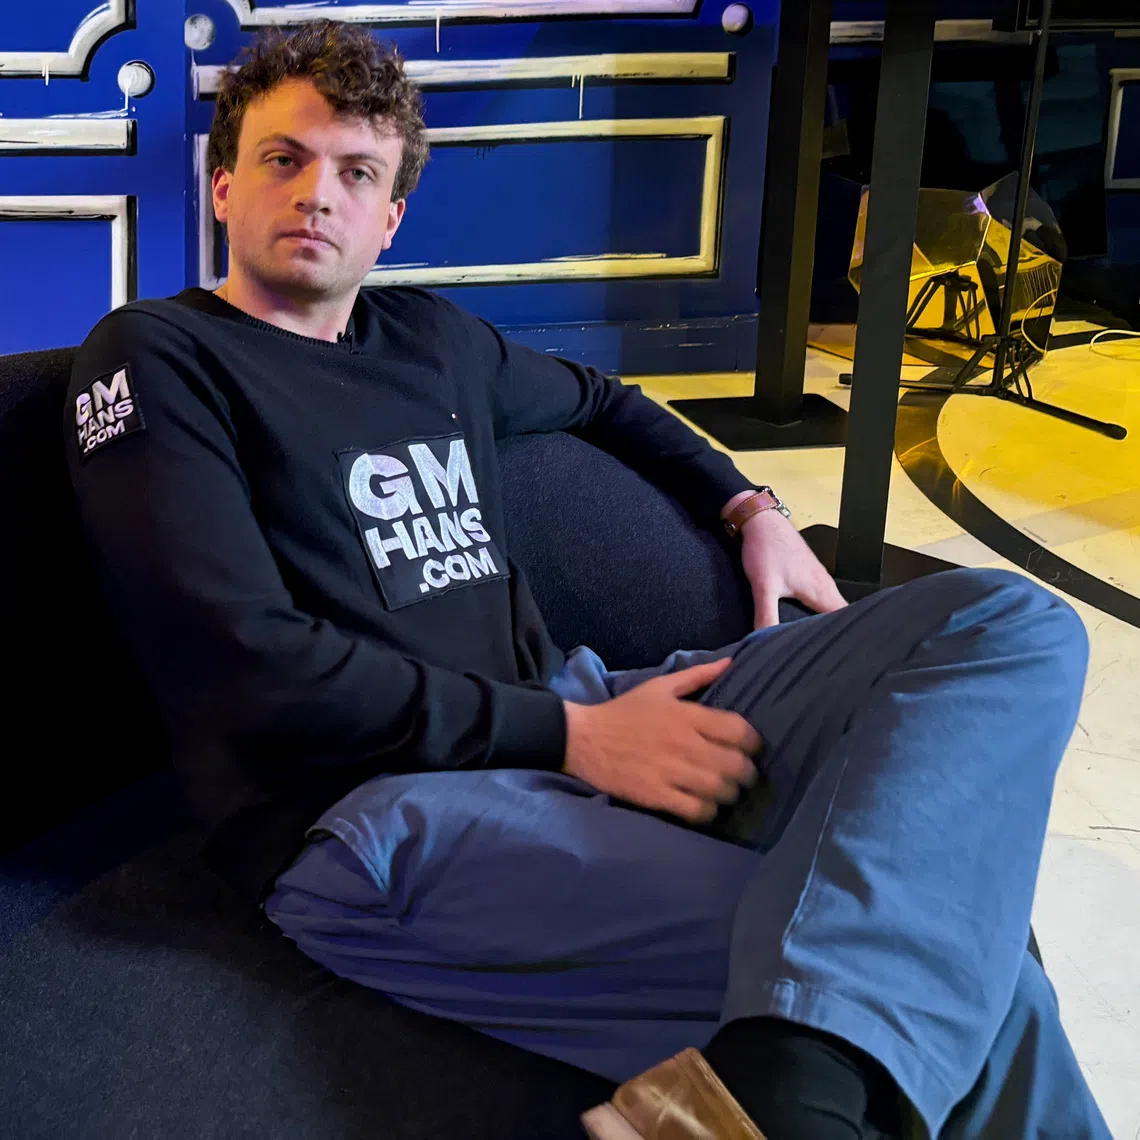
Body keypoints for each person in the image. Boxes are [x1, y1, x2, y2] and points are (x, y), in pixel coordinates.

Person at [65, 21, 1109, 1140]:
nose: (318, 193)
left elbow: (605, 401)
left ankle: (769, 1086)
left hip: (593, 709)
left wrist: (750, 507)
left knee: (1011, 624)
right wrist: (569, 738)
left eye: (356, 171)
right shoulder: (155, 357)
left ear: (391, 215)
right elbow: (236, 664)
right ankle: (786, 1087)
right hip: (370, 811)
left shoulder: (431, 336)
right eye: (284, 158)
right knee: (961, 982)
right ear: (223, 188)